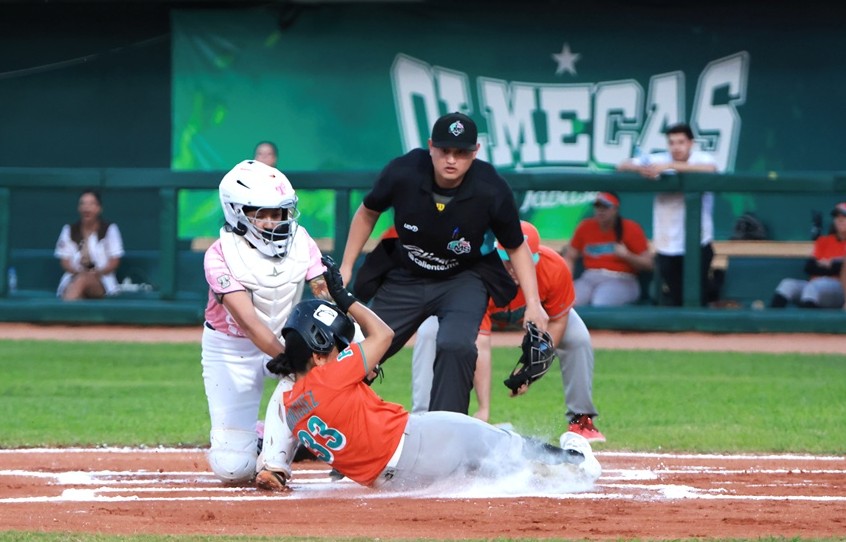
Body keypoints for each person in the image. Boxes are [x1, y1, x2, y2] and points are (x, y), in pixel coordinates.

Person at [265, 265, 600, 491]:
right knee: (498, 441)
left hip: (391, 482)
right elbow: (383, 333)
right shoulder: (331, 376)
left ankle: (540, 476)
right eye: (335, 347)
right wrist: (344, 298)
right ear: (317, 352)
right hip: (416, 443)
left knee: (478, 462)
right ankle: (576, 463)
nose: (341, 351)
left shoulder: (290, 407)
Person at [339, 112, 549, 415]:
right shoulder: (404, 172)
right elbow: (367, 211)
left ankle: (446, 435)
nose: (451, 159)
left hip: (464, 278)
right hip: (407, 273)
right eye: (444, 150)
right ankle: (329, 429)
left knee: (457, 346)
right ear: (430, 147)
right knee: (362, 348)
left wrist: (533, 302)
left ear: (475, 151)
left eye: (461, 152)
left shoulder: (491, 188)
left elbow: (516, 247)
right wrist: (347, 265)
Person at [412, 221, 606, 442]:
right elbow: (480, 345)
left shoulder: (554, 267)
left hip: (528, 316)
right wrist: (484, 408)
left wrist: (530, 373)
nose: (514, 268)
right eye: (508, 260)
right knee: (429, 331)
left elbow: (558, 321)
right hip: (470, 316)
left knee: (578, 337)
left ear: (536, 256)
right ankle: (422, 419)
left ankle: (581, 420)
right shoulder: (479, 272)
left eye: (523, 260)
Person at [200, 158, 330, 488]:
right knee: (233, 468)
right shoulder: (220, 254)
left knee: (342, 351)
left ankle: (278, 454)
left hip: (286, 336)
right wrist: (294, 362)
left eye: (279, 213)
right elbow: (248, 322)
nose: (273, 221)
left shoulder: (303, 242)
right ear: (236, 211)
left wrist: (341, 347)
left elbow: (325, 298)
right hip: (233, 348)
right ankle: (259, 436)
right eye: (262, 213)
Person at [616, 123, 719, 306]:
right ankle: (682, 334)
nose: (676, 147)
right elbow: (622, 165)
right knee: (676, 295)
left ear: (691, 143)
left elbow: (711, 169)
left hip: (698, 241)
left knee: (698, 295)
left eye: (681, 142)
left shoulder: (700, 158)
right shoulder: (660, 159)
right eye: (671, 142)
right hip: (667, 243)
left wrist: (671, 166)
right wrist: (641, 169)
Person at [564, 191, 653, 306]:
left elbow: (649, 264)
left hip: (621, 279)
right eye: (597, 206)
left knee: (601, 302)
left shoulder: (630, 228)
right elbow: (570, 256)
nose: (600, 210)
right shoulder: (585, 227)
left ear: (615, 209)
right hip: (590, 277)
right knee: (567, 302)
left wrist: (627, 256)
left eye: (605, 206)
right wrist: (566, 282)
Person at [770, 202, 846, 309]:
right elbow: (809, 267)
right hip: (815, 287)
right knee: (788, 284)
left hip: (840, 290)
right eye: (837, 217)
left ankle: (810, 324)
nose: (840, 220)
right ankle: (771, 322)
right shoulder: (824, 241)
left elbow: (842, 270)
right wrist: (834, 265)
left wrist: (830, 264)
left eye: (844, 216)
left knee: (814, 287)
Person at [54, 189, 124, 300]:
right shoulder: (69, 230)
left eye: (91, 204)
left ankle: (60, 314)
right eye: (83, 204)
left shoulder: (110, 229)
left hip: (101, 280)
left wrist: (96, 273)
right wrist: (78, 272)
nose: (86, 208)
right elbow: (65, 261)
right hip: (73, 278)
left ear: (99, 208)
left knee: (83, 280)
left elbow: (114, 261)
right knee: (79, 285)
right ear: (78, 208)